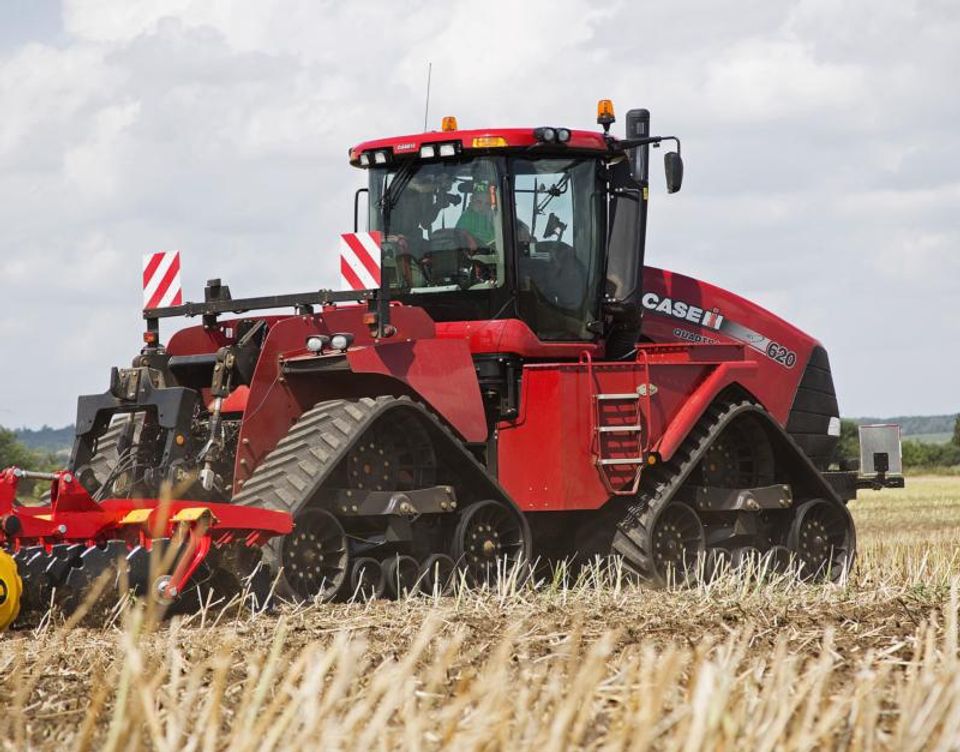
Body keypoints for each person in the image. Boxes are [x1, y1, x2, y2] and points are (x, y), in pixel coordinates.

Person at [455, 183, 496, 248]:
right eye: (479, 202)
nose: (483, 207)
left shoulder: (492, 217)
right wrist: (470, 239)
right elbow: (460, 231)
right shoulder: (467, 216)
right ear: (471, 199)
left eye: (487, 204)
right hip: (475, 251)